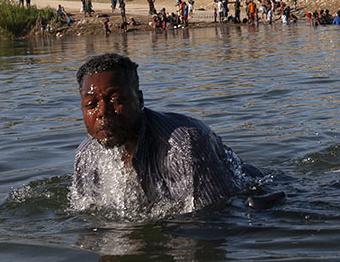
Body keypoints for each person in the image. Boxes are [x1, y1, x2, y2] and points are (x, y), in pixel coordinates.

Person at [72, 53, 278, 216]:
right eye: (91, 105)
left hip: (263, 195)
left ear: (140, 100)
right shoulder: (86, 156)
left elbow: (218, 218)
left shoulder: (183, 146)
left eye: (116, 100)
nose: (102, 112)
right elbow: (88, 214)